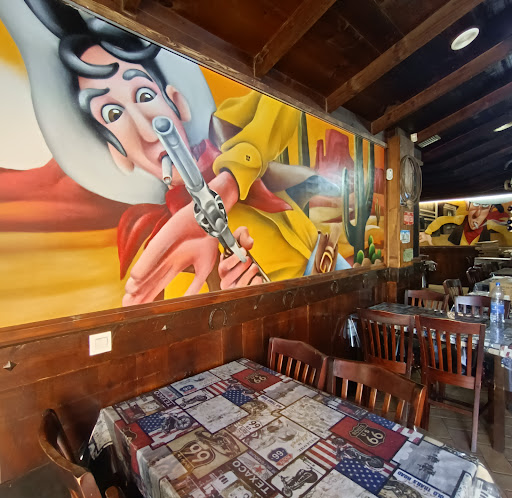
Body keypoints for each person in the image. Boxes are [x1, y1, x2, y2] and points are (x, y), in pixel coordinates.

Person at [1, 0, 351, 307]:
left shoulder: (227, 129)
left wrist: (228, 184)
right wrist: (236, 293)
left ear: (177, 102)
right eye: (113, 114)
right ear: (116, 152)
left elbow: (286, 103)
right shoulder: (169, 248)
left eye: (144, 95)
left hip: (330, 269)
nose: (148, 129)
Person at [420, 201, 508, 246]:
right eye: (475, 204)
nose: (477, 214)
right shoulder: (461, 219)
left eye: (485, 206)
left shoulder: (490, 224)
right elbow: (441, 220)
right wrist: (427, 232)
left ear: (490, 209)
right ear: (468, 205)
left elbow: (506, 231)